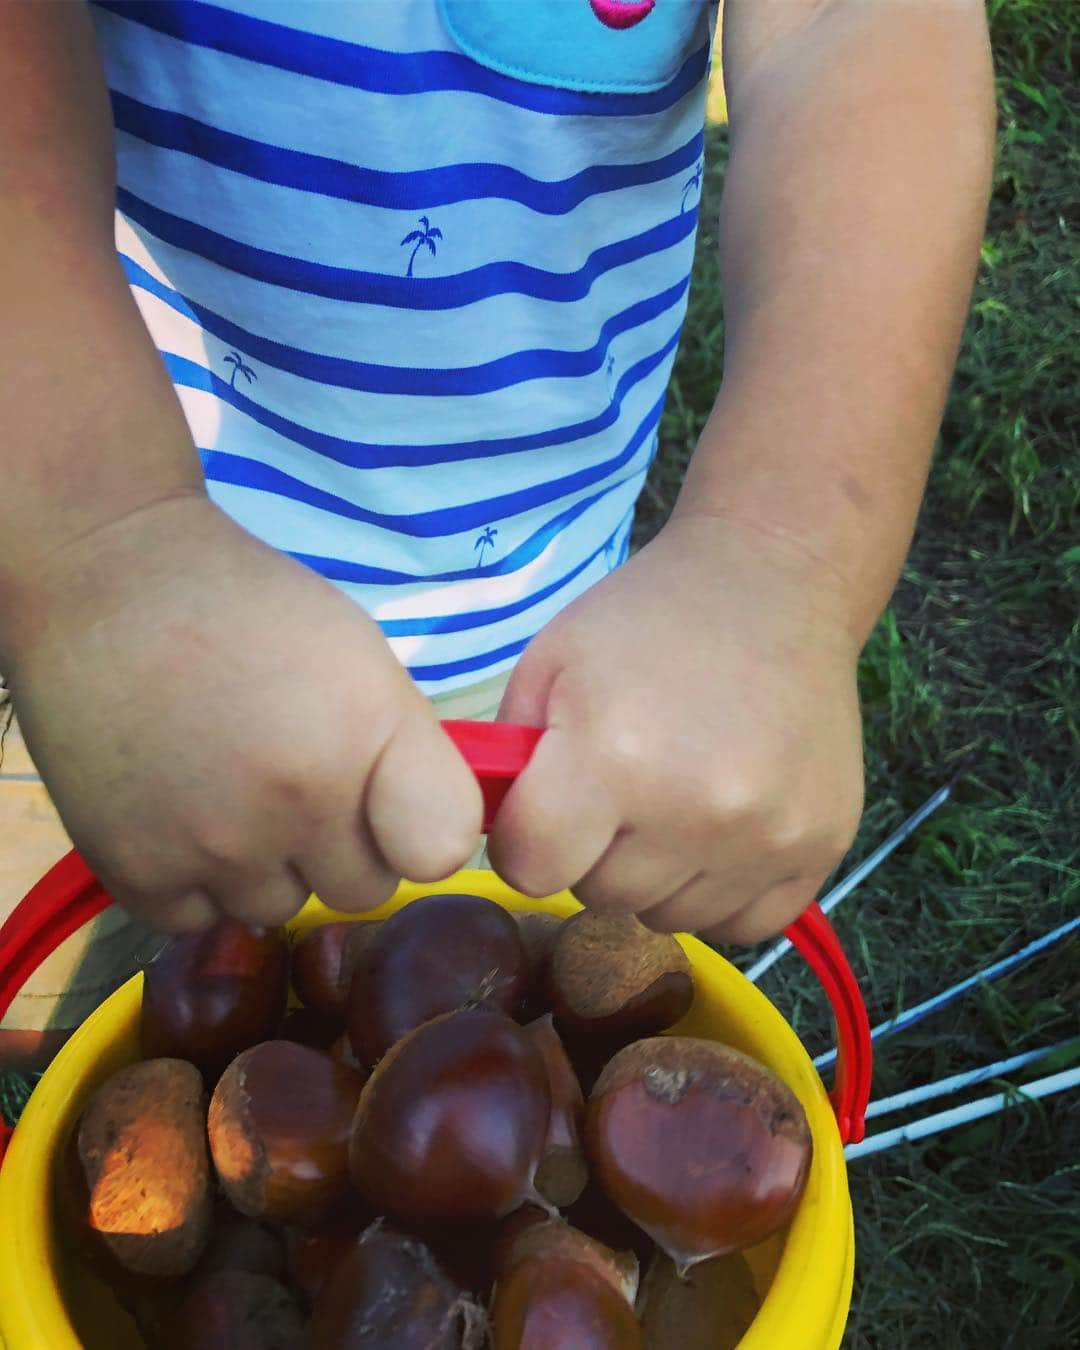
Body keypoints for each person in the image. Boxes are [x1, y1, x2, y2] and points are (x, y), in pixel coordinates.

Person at [0, 0, 994, 1063]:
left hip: (534, 640)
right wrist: (97, 546)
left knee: (457, 1018)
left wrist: (782, 552)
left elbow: (854, 26)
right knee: (82, 1006)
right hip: (87, 584)